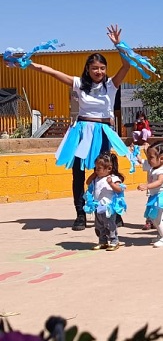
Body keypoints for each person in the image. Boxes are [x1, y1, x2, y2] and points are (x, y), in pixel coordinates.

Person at [30, 25, 130, 231]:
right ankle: (81, 214)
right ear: (88, 69)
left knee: (109, 171)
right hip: (81, 132)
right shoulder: (77, 83)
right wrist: (29, 64)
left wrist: (118, 44)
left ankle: (115, 211)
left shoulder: (111, 85)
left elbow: (127, 65)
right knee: (78, 173)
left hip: (103, 132)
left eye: (102, 68)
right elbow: (51, 72)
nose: (99, 71)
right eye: (95, 68)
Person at [83, 153, 127, 251]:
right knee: (99, 225)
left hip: (109, 207)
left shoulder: (113, 178)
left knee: (110, 225)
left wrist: (111, 183)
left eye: (99, 168)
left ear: (109, 168)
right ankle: (102, 241)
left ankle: (114, 241)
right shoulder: (96, 178)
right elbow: (87, 182)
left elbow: (119, 189)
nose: (96, 170)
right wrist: (95, 173)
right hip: (98, 206)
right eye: (96, 168)